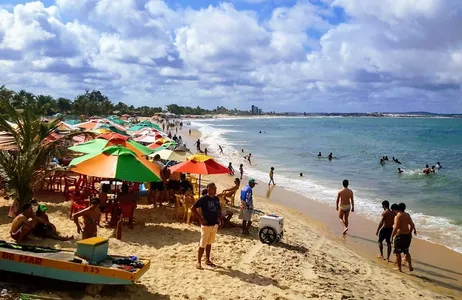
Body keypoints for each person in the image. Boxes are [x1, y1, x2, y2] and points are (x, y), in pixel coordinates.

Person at [191, 183, 222, 269]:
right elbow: (193, 208)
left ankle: (207, 259)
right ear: (208, 189)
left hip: (214, 224)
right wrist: (200, 219)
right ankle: (198, 261)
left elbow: (218, 209)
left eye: (215, 188)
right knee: (203, 244)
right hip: (206, 225)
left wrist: (220, 219)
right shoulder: (204, 199)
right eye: (213, 188)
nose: (215, 190)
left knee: (209, 243)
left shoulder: (216, 199)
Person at [391, 203, 414, 272]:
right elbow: (412, 225)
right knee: (406, 252)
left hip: (400, 236)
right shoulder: (407, 215)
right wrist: (409, 232)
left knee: (398, 253)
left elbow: (396, 228)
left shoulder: (398, 216)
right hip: (407, 236)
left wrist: (392, 236)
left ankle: (399, 268)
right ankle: (410, 266)